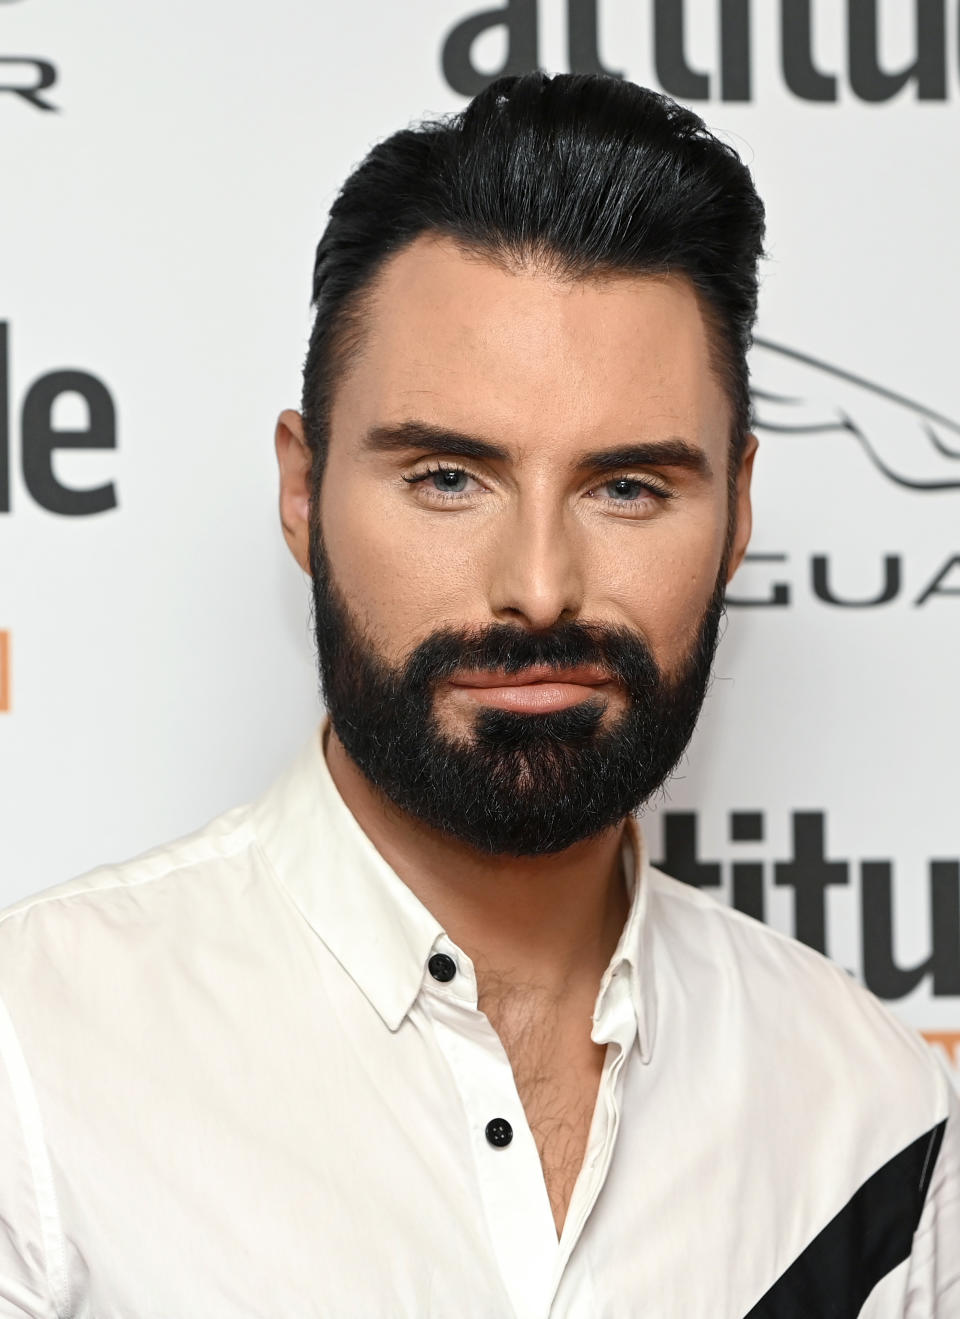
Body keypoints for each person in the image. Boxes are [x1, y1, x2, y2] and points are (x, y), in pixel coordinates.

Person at [0, 71, 955, 1319]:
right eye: (449, 475)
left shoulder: (870, 1110)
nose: (542, 587)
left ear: (738, 510)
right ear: (303, 490)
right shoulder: (35, 1056)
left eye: (629, 487)